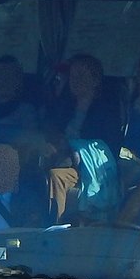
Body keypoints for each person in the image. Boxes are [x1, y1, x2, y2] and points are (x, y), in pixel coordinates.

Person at [42, 53, 124, 222]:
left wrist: (76, 150)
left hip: (91, 166)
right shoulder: (65, 105)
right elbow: (53, 131)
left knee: (56, 175)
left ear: (96, 80)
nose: (76, 80)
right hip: (61, 157)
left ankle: (54, 228)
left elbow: (107, 148)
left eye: (82, 76)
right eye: (73, 76)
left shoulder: (107, 110)